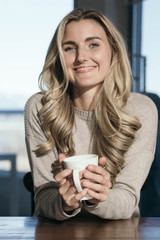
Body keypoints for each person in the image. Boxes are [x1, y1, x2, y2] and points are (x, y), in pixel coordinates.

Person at [24, 9, 158, 221]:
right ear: (59, 56)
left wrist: (97, 199)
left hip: (119, 233)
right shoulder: (40, 108)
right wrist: (64, 202)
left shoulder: (141, 109)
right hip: (56, 233)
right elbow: (43, 198)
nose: (81, 57)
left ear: (112, 51)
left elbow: (127, 199)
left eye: (93, 44)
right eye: (69, 48)